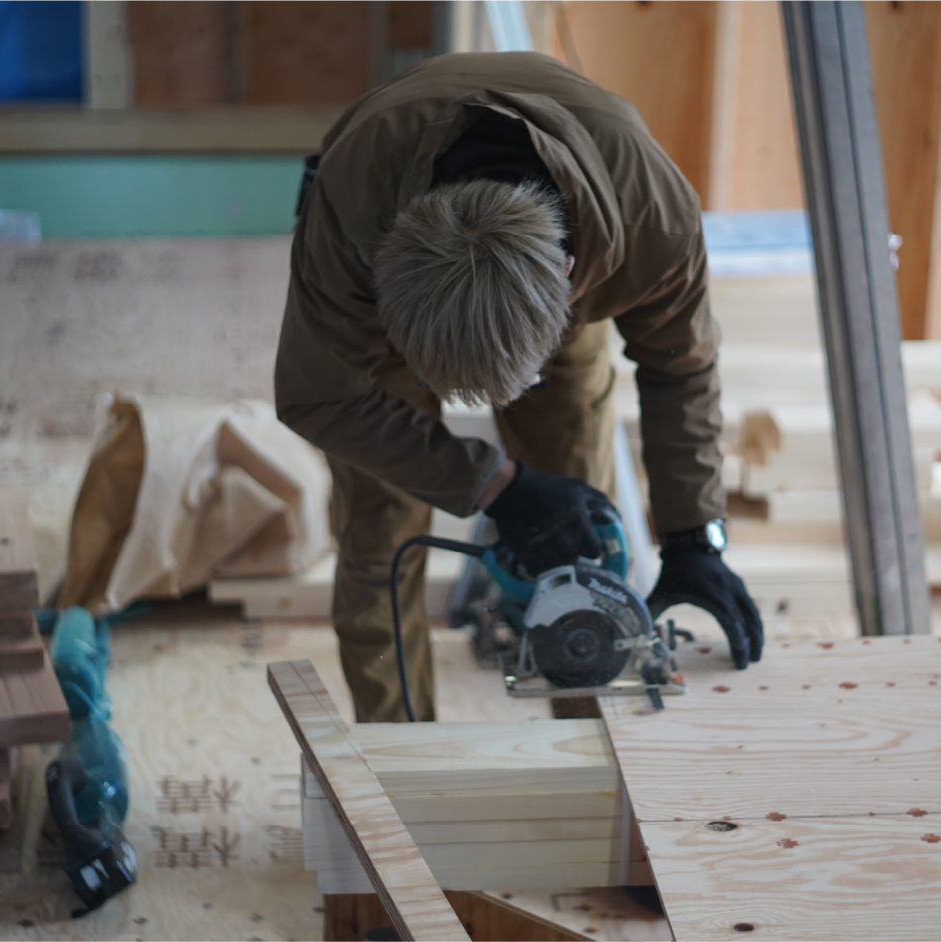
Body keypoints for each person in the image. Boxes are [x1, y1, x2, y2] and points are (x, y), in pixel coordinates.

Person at [275, 52, 763, 722]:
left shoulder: (652, 213)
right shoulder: (351, 214)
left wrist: (691, 536)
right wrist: (496, 483)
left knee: (578, 535)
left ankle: (589, 751)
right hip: (397, 283)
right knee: (380, 532)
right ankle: (397, 770)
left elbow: (679, 365)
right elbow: (318, 396)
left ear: (568, 275)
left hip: (575, 271)